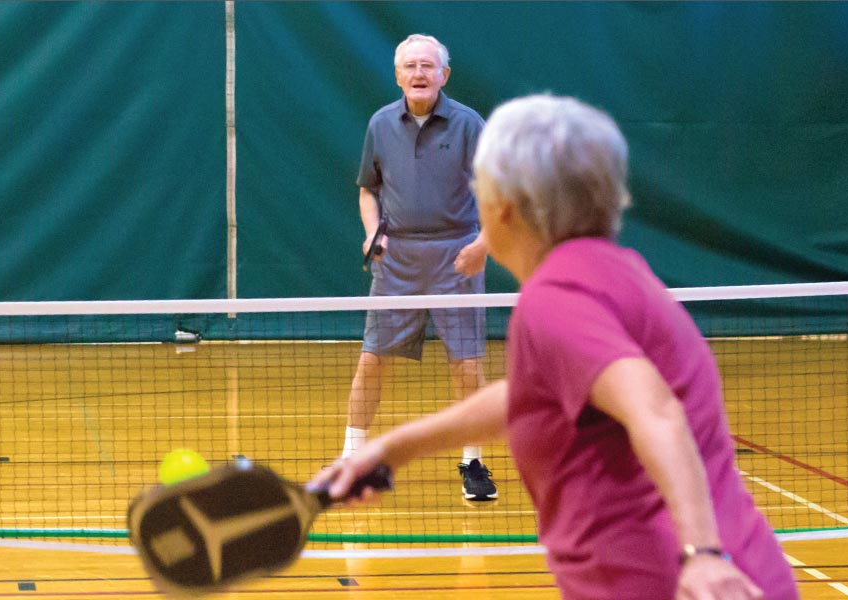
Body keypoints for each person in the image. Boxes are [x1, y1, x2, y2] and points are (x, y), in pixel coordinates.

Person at [315, 95, 798, 599]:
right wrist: (393, 450)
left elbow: (655, 409)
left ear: (503, 207)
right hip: (729, 572)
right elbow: (530, 395)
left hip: (680, 583)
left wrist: (703, 556)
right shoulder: (615, 271)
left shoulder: (558, 298)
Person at [342, 33, 496, 501]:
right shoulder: (380, 124)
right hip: (398, 261)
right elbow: (368, 190)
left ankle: (473, 461)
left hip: (458, 257)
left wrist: (483, 244)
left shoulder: (469, 124)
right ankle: (351, 459)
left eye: (428, 66)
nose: (419, 73)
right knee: (372, 359)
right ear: (397, 76)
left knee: (467, 364)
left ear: (443, 75)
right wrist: (373, 232)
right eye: (410, 66)